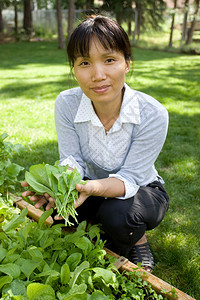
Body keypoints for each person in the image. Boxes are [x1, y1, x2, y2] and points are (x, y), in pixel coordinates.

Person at [22, 14, 169, 273]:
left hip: (140, 190)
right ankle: (96, 219)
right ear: (74, 68)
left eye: (109, 60)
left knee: (119, 217)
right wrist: (60, 186)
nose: (97, 75)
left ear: (127, 63)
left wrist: (89, 188)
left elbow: (130, 178)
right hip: (87, 184)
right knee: (58, 213)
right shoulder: (66, 103)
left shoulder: (153, 113)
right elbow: (72, 159)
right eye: (85, 62)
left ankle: (139, 240)